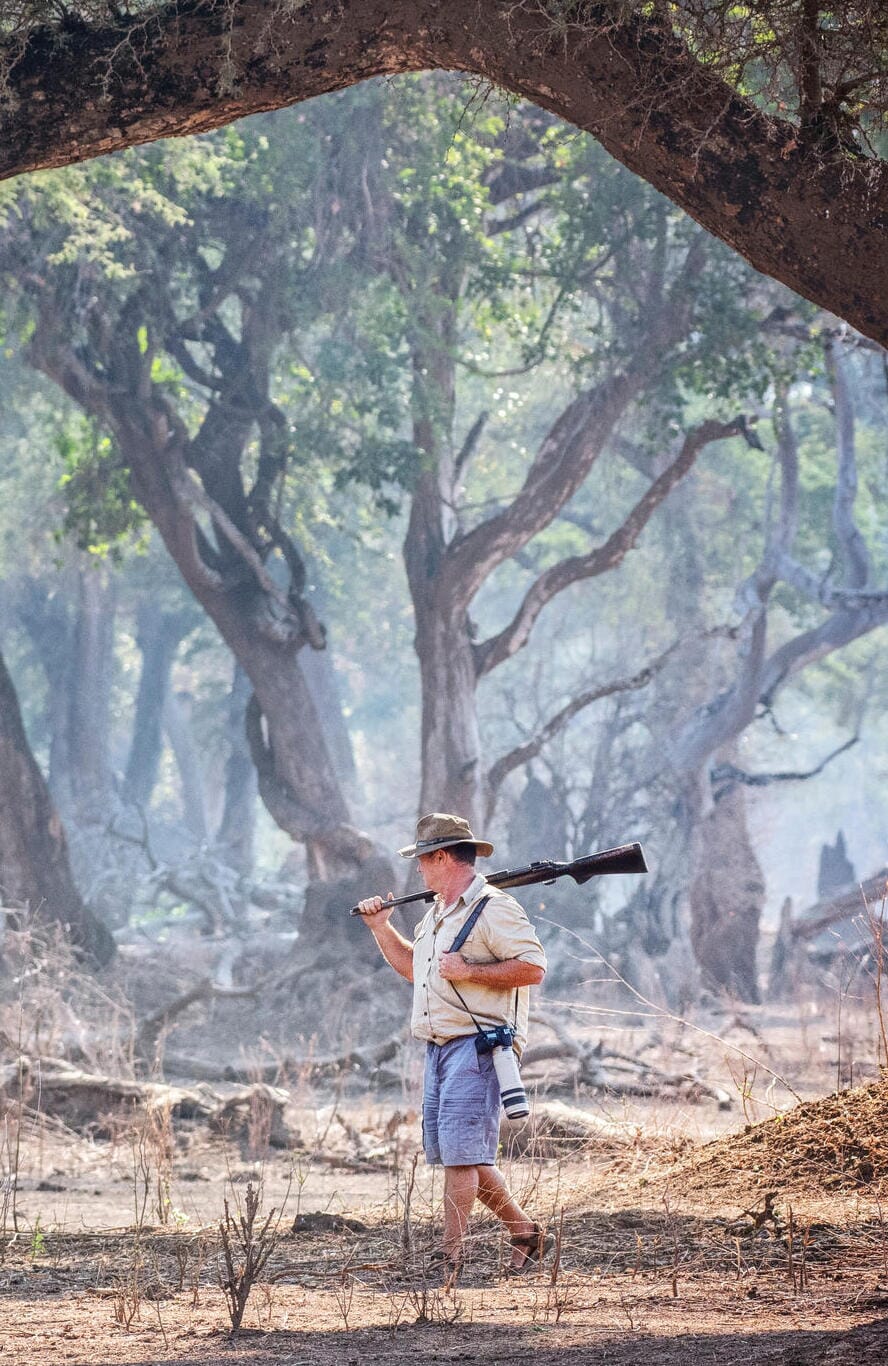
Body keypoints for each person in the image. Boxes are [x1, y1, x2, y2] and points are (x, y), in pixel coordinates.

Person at [357, 811, 552, 1278]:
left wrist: (473, 971)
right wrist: (382, 928)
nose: (419, 870)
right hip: (440, 1045)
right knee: (458, 1151)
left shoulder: (495, 907)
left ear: (441, 856)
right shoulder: (435, 915)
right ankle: (525, 1231)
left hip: (481, 1044)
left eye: (423, 860)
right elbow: (414, 969)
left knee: (462, 1154)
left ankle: (448, 1258)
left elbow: (533, 967)